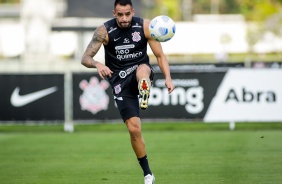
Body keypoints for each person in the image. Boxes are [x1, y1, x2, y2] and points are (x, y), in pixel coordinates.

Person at [81, 0, 175, 183]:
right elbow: (85, 57)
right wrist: (98, 64)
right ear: (114, 13)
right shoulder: (104, 31)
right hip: (119, 81)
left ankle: (144, 87)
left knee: (142, 70)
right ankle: (148, 173)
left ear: (132, 11)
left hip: (140, 70)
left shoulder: (145, 26)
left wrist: (168, 78)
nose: (124, 18)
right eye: (120, 14)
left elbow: (159, 55)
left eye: (127, 14)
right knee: (134, 130)